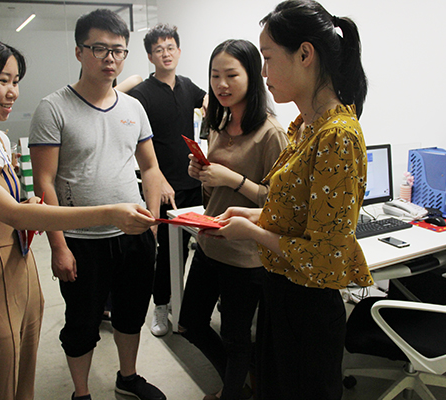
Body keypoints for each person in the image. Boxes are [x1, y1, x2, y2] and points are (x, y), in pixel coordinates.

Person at [0, 30, 158, 400]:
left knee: (24, 376)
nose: (13, 92)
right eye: (2, 80)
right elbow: (14, 214)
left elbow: (18, 204)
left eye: (16, 81)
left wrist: (31, 204)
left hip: (20, 266)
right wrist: (110, 213)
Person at [206, 1, 373, 399]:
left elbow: (326, 257)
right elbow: (298, 213)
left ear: (304, 54)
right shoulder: (305, 126)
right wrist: (255, 215)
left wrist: (252, 232)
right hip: (281, 294)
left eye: (267, 58)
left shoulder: (337, 135)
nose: (263, 74)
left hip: (308, 310)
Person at [28, 9, 166, 400]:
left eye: (118, 50)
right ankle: (82, 392)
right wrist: (58, 246)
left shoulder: (133, 108)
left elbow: (150, 167)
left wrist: (152, 221)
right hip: (81, 241)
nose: (110, 58)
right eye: (99, 49)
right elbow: (44, 182)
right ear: (79, 51)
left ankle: (128, 377)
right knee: (82, 322)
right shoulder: (53, 108)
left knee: (131, 313)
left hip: (133, 235)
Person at [178, 39, 288, 400]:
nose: (221, 85)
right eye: (215, 76)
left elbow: (278, 202)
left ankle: (232, 392)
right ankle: (241, 381)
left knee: (236, 337)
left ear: (252, 76)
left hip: (244, 255)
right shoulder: (220, 122)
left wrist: (232, 179)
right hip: (209, 242)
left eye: (231, 75)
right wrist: (202, 173)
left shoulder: (271, 133)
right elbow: (214, 190)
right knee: (190, 324)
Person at [128, 23, 207, 337]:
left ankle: (179, 299)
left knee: (191, 249)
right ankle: (160, 305)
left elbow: (207, 100)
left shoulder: (187, 87)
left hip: (193, 183)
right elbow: (137, 144)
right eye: (158, 50)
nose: (166, 54)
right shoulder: (142, 94)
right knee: (166, 252)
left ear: (178, 50)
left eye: (170, 47)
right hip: (163, 187)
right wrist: (158, 180)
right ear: (150, 56)